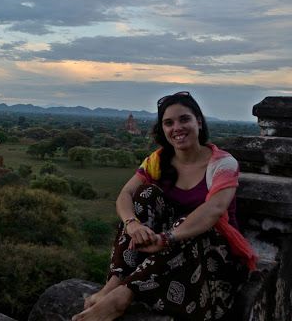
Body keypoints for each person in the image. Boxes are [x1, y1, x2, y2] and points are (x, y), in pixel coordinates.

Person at [72, 91, 257, 321]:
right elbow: (126, 194)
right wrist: (132, 225)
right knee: (146, 194)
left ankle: (122, 296)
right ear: (163, 130)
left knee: (189, 221)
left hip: (211, 264)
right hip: (164, 257)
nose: (177, 128)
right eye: (169, 123)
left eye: (184, 119)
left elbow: (213, 211)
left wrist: (167, 238)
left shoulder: (222, 164)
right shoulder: (158, 160)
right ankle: (113, 285)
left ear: (198, 121)